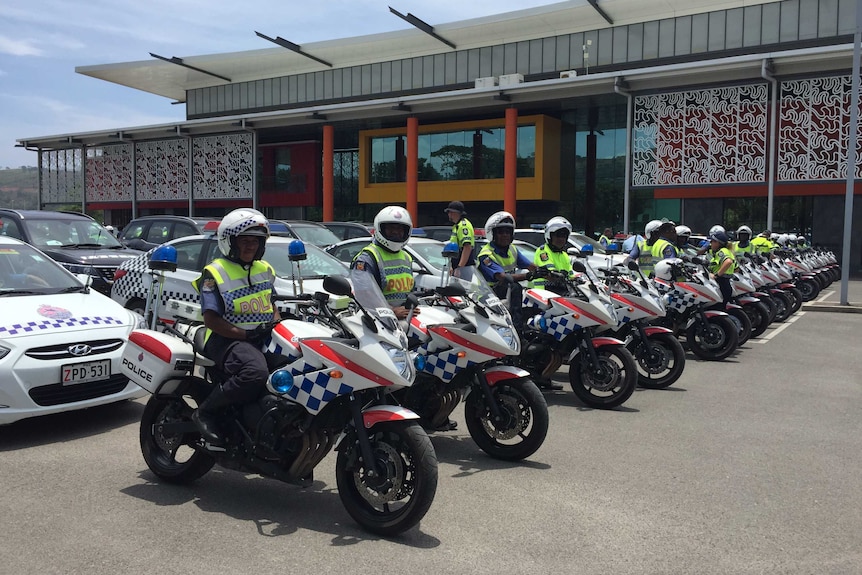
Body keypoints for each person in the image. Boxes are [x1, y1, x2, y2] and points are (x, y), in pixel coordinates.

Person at [191, 208, 281, 444]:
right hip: (225, 339)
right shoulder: (215, 272)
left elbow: (272, 304)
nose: (251, 246)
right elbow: (211, 319)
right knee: (255, 372)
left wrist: (277, 324)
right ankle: (206, 412)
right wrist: (246, 334)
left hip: (259, 337)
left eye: (256, 241)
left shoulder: (265, 269)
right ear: (229, 242)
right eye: (244, 240)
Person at [351, 205, 417, 320]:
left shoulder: (406, 257)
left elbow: (409, 291)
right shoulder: (367, 258)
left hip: (402, 318)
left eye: (400, 229)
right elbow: (365, 296)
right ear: (380, 228)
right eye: (391, 228)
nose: (396, 232)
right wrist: (391, 310)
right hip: (375, 320)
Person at [530, 216, 574, 295]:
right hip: (543, 294)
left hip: (559, 292)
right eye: (558, 235)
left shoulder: (564, 255)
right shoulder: (543, 251)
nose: (561, 239)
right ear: (549, 236)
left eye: (564, 236)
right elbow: (549, 274)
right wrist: (559, 275)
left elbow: (571, 275)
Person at [444, 200, 475, 276]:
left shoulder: (463, 226)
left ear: (455, 213)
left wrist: (460, 267)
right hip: (459, 268)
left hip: (464, 269)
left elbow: (467, 247)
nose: (449, 214)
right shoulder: (457, 226)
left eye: (449, 212)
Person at [707, 230, 736, 308]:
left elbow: (728, 262)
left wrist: (717, 275)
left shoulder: (722, 252)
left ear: (718, 243)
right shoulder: (727, 251)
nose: (711, 243)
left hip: (722, 282)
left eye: (712, 241)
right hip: (725, 282)